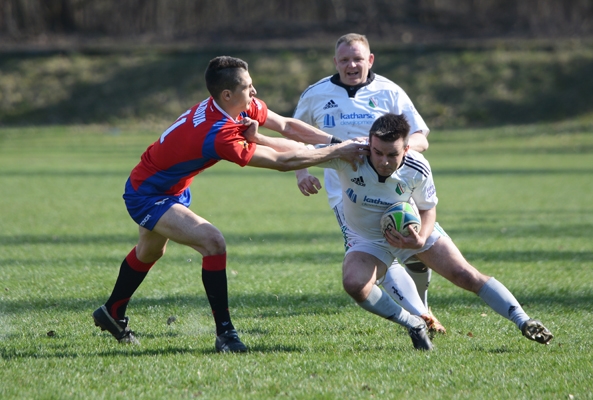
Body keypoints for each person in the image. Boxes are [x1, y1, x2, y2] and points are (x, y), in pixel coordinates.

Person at [92, 56, 368, 353]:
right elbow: (281, 161)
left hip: (170, 187)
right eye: (249, 87)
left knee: (150, 251)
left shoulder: (236, 104)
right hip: (146, 194)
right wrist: (338, 151)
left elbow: (287, 126)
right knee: (213, 242)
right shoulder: (218, 133)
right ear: (227, 94)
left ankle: (111, 313)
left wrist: (336, 142)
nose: (255, 91)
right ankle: (225, 334)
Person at [313, 113, 553, 350]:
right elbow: (296, 150)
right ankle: (414, 323)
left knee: (465, 275)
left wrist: (420, 239)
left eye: (392, 154)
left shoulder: (417, 166)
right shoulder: (350, 155)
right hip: (368, 239)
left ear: (406, 149)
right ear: (369, 143)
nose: (384, 161)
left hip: (411, 229)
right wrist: (280, 154)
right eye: (378, 152)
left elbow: (428, 209)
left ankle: (524, 321)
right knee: (355, 284)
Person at [292, 33, 445, 334]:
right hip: (346, 193)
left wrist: (400, 153)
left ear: (370, 60)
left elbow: (420, 136)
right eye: (345, 60)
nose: (351, 65)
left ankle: (423, 308)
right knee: (379, 246)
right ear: (335, 62)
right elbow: (296, 136)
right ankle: (421, 316)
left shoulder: (389, 91)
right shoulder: (316, 94)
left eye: (358, 58)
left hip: (395, 184)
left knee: (412, 247)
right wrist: (303, 173)